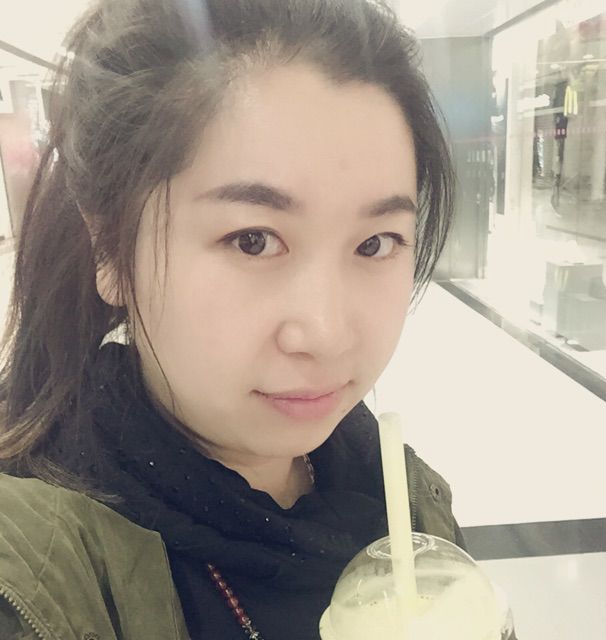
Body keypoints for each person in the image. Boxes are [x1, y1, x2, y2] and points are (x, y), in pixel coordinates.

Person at [0, 1, 460, 638]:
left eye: (375, 243)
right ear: (109, 248)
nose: (327, 334)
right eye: (253, 240)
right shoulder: (41, 584)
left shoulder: (406, 498)